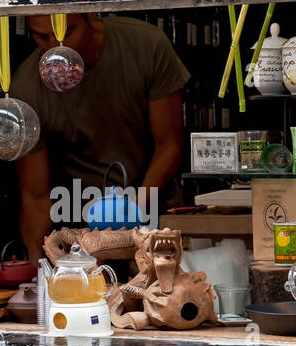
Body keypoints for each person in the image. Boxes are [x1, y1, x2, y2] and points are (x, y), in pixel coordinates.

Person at [13, 13, 189, 259]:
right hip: (82, 228)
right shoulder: (27, 88)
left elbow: (169, 146)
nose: (56, 46)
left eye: (67, 32)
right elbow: (35, 197)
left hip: (155, 218)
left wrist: (127, 214)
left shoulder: (146, 46)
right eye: (42, 36)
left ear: (91, 14)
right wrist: (35, 270)